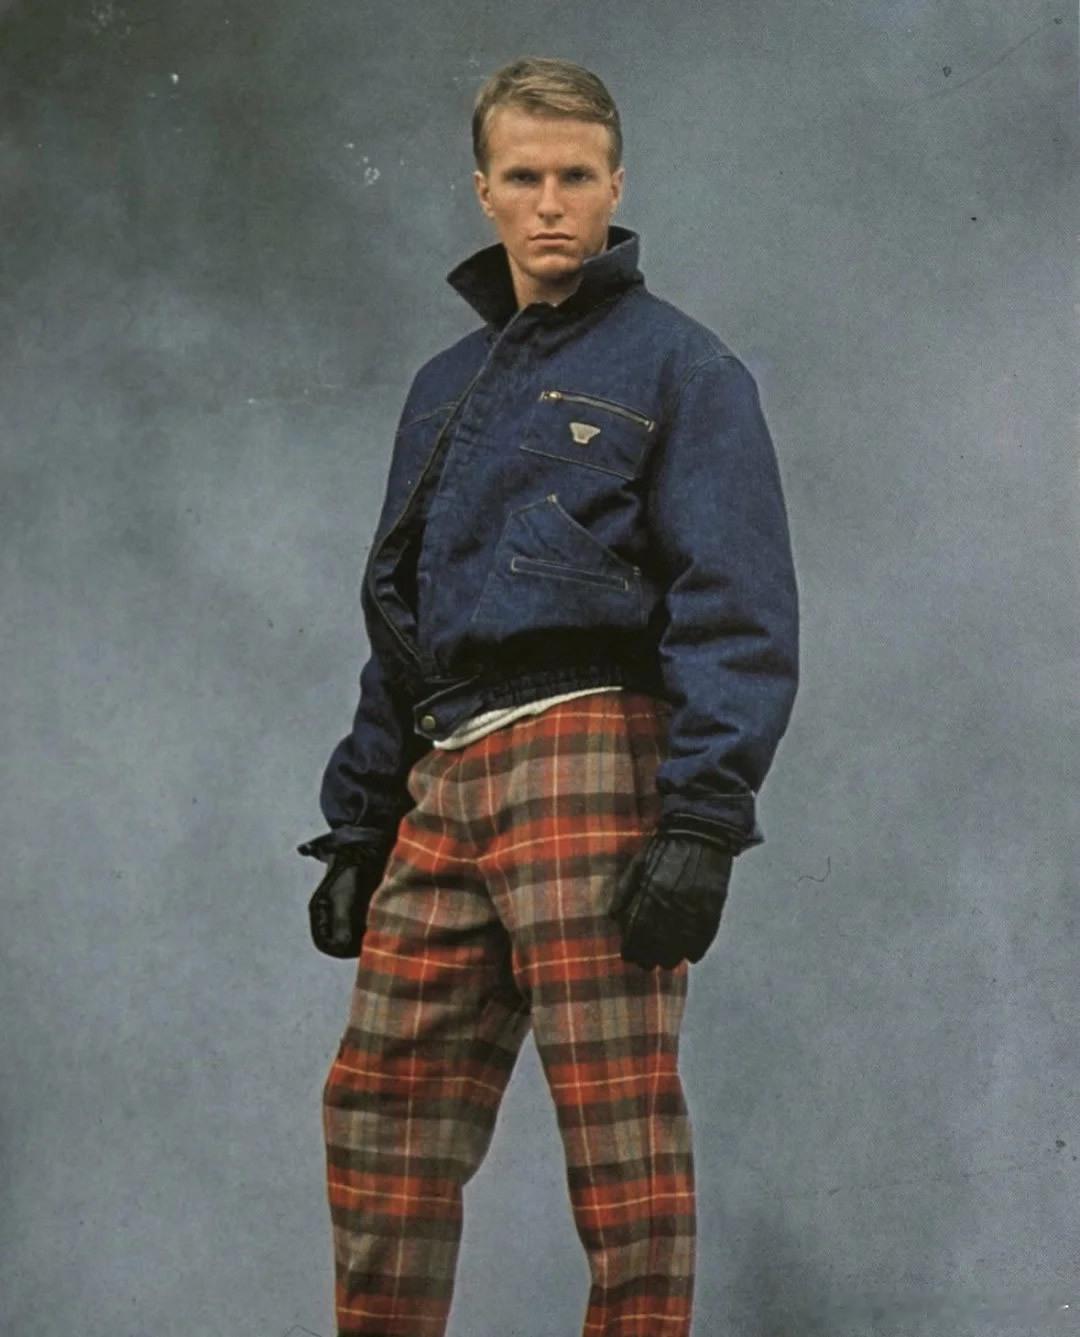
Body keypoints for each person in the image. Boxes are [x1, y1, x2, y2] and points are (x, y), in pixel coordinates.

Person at [298, 55, 799, 1337]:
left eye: (576, 175)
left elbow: (738, 604)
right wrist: (361, 821)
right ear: (484, 191)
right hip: (444, 768)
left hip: (590, 749)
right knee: (380, 1109)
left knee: (618, 1128)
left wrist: (702, 818)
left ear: (617, 184)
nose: (551, 203)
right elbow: (400, 618)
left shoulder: (683, 367)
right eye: (524, 177)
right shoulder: (444, 386)